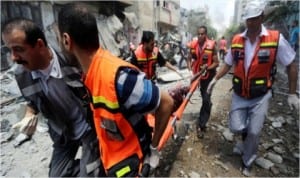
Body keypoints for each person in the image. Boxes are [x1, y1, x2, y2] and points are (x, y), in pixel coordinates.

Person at [57, 3, 187, 177]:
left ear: (66, 40)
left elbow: (166, 103)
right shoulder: (91, 75)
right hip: (114, 159)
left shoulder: (118, 78)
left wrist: (154, 150)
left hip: (131, 164)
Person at [1, 18, 105, 177]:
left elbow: (99, 88)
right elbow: (32, 101)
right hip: (63, 133)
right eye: (10, 50)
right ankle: (91, 166)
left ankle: (96, 164)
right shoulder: (21, 74)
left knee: (90, 174)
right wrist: (29, 115)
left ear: (40, 45)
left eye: (19, 49)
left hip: (89, 129)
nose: (14, 57)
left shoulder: (72, 60)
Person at [207, 1, 299, 176]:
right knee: (235, 126)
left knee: (255, 131)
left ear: (262, 17)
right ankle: (244, 139)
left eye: (254, 19)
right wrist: (215, 80)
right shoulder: (236, 40)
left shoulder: (275, 38)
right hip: (240, 93)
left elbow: (291, 65)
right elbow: (228, 63)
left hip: (261, 94)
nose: (250, 23)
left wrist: (292, 94)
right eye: (248, 19)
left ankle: (247, 161)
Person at [186, 25, 219, 138]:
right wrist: (190, 70)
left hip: (208, 76)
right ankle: (206, 108)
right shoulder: (193, 45)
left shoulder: (212, 45)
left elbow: (216, 63)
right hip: (197, 76)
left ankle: (201, 123)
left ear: (206, 35)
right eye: (198, 34)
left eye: (202, 34)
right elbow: (189, 58)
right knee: (191, 94)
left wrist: (207, 68)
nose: (200, 36)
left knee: (205, 99)